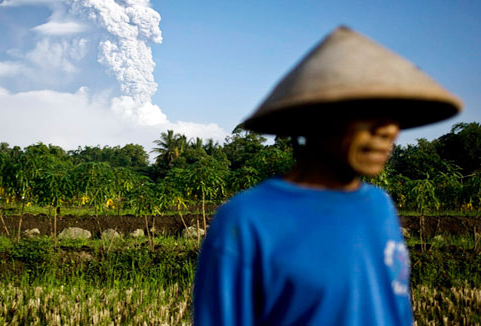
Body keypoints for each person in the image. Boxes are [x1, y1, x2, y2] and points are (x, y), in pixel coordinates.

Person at [193, 26, 462, 325]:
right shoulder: (247, 220)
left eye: (393, 115)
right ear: (314, 119)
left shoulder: (379, 205)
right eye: (369, 113)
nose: (388, 130)